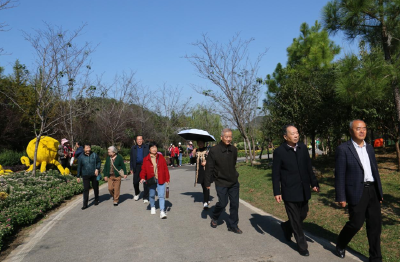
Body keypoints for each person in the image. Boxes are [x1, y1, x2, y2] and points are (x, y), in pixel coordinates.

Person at [335, 120, 383, 261]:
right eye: (358, 128)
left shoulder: (369, 148)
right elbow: (340, 175)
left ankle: (375, 258)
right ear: (351, 131)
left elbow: (375, 171)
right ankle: (341, 243)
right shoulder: (343, 149)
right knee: (356, 223)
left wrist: (379, 192)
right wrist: (341, 197)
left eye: (364, 128)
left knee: (375, 225)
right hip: (356, 191)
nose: (362, 131)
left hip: (372, 190)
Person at [272, 124, 319, 256]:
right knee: (296, 219)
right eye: (292, 133)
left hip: (303, 188)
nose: (296, 135)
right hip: (289, 190)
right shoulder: (279, 152)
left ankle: (286, 227)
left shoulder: (303, 148)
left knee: (303, 214)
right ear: (285, 136)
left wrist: (314, 183)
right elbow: (275, 174)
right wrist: (277, 191)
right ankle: (302, 245)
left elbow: (309, 167)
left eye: (297, 132)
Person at [205, 128, 242, 234]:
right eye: (226, 137)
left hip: (233, 181)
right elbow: (209, 168)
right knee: (223, 203)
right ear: (221, 137)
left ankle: (233, 225)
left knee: (235, 204)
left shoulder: (234, 150)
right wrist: (207, 183)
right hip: (221, 181)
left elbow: (233, 163)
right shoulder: (214, 150)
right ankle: (215, 216)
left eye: (230, 136)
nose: (229, 139)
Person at [140, 142, 170, 219]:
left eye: (155, 147)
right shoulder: (146, 159)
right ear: (149, 149)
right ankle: (152, 206)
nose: (154, 149)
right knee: (152, 195)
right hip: (151, 180)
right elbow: (143, 169)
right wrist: (142, 177)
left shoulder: (161, 157)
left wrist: (167, 178)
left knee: (161, 196)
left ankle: (162, 211)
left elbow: (165, 168)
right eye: (152, 147)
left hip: (161, 179)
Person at [76, 143, 101, 210]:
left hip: (94, 174)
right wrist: (78, 176)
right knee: (86, 189)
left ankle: (96, 200)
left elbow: (99, 162)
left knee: (95, 187)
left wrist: (97, 169)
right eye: (86, 148)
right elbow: (79, 167)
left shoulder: (94, 155)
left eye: (89, 147)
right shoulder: (81, 157)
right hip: (85, 175)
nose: (88, 149)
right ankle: (85, 204)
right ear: (83, 149)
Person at [130, 135, 150, 203]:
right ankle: (137, 193)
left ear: (142, 140)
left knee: (145, 182)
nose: (139, 141)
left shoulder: (146, 147)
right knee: (135, 182)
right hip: (136, 166)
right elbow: (131, 159)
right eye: (138, 139)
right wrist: (131, 167)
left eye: (140, 139)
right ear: (136, 141)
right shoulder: (133, 148)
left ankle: (146, 197)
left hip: (145, 166)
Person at [192, 140, 211, 209]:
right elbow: (192, 161)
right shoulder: (196, 151)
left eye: (201, 143)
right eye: (199, 143)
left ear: (204, 143)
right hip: (200, 171)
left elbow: (212, 159)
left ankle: (205, 202)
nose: (200, 144)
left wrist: (206, 162)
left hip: (207, 170)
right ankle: (207, 198)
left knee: (206, 185)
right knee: (204, 186)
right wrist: (193, 154)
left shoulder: (207, 150)